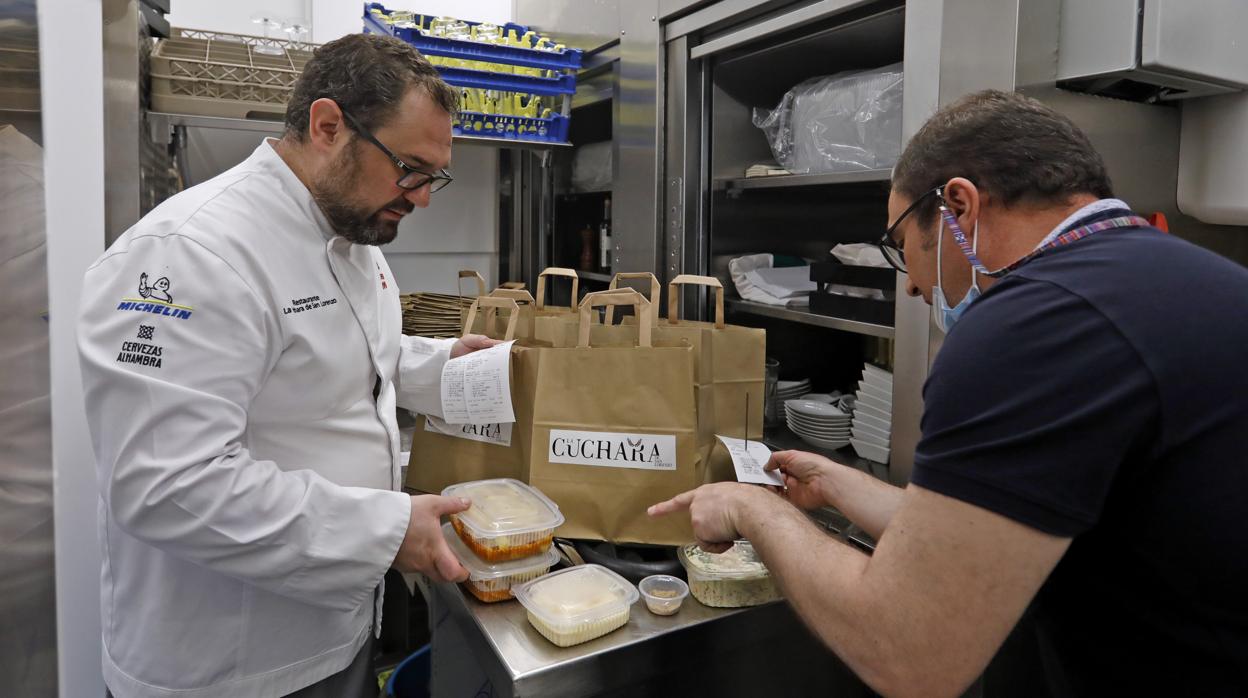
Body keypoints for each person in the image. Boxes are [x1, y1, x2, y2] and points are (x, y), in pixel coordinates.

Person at [650, 89, 1248, 697]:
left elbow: (908, 654)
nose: (910, 284)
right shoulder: (1189, 276)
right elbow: (1006, 523)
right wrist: (841, 486)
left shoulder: (1035, 323)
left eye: (901, 243)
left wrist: (754, 510)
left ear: (958, 205)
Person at [78, 34, 495, 698]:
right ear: (328, 126)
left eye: (432, 176)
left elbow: (344, 361)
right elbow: (165, 484)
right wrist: (385, 531)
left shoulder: (353, 238)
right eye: (410, 167)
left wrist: (447, 368)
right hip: (228, 665)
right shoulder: (191, 254)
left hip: (334, 630)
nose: (421, 197)